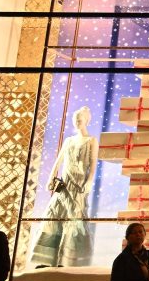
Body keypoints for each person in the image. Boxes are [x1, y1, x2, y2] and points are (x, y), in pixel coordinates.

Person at [30, 106, 98, 268]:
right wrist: (51, 178)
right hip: (64, 185)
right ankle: (49, 258)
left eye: (79, 119)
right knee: (54, 214)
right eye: (75, 120)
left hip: (78, 185)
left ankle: (69, 259)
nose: (77, 122)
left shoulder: (91, 141)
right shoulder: (69, 141)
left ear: (86, 120)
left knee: (74, 218)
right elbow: (58, 161)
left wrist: (89, 181)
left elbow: (93, 164)